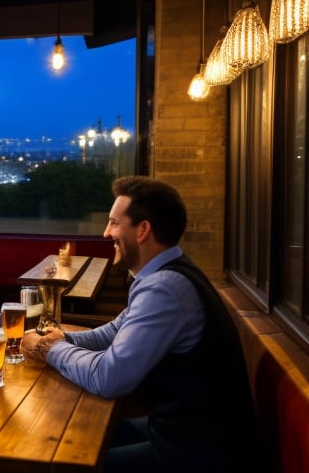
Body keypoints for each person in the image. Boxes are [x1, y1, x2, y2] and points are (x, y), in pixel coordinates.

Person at [21, 176, 262, 473]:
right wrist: (63, 339)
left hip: (199, 454)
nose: (105, 233)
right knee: (59, 434)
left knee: (54, 460)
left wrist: (50, 348)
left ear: (143, 229)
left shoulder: (165, 288)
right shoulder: (163, 275)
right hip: (180, 433)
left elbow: (108, 378)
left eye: (113, 222)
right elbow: (113, 331)